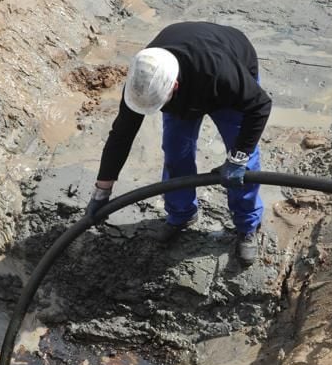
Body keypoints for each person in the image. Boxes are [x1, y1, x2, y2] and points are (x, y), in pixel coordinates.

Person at [85, 21, 271, 265]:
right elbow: (121, 135)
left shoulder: (221, 74)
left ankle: (247, 225)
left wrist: (238, 158)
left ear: (173, 86)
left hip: (224, 82)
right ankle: (181, 214)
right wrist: (102, 190)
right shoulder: (144, 78)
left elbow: (260, 106)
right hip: (185, 78)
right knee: (175, 152)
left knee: (244, 164)